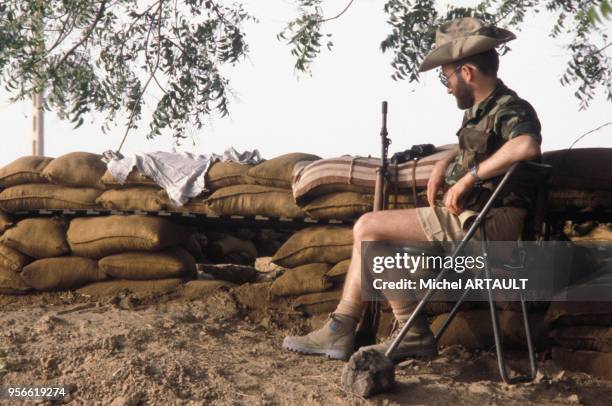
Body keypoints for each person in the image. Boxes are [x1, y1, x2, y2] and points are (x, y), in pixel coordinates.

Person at [283, 17, 543, 362]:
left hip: (486, 224)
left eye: (446, 76)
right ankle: (350, 328)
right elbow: (474, 146)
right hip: (470, 220)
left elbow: (526, 145)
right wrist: (443, 163)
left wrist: (469, 177)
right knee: (376, 243)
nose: (447, 86)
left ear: (466, 73)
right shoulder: (483, 112)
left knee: (367, 226)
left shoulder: (511, 108)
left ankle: (395, 331)